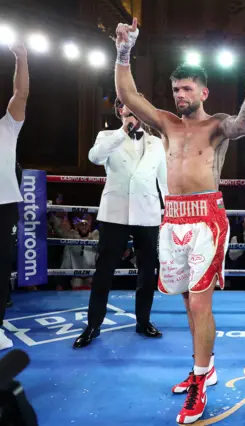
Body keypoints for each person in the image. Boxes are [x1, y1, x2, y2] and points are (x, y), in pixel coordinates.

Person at [112, 18, 245, 424]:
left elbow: (244, 124)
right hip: (173, 220)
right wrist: (123, 51)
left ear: (203, 91)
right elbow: (129, 95)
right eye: (175, 89)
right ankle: (206, 366)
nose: (180, 95)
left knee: (201, 303)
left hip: (207, 220)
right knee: (188, 303)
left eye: (187, 89)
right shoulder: (167, 124)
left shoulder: (216, 125)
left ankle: (201, 382)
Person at [72, 97, 168, 348]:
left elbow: (164, 180)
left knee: (148, 271)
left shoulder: (157, 142)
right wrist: (123, 130)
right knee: (104, 270)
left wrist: (170, 210)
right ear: (119, 111)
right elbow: (94, 157)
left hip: (147, 213)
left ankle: (143, 320)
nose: (132, 112)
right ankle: (93, 324)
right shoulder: (107, 136)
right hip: (115, 214)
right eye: (126, 107)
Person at [0, 41, 28, 351]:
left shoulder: (7, 127)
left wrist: (21, 58)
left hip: (5, 204)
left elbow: (20, 94)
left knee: (0, 267)